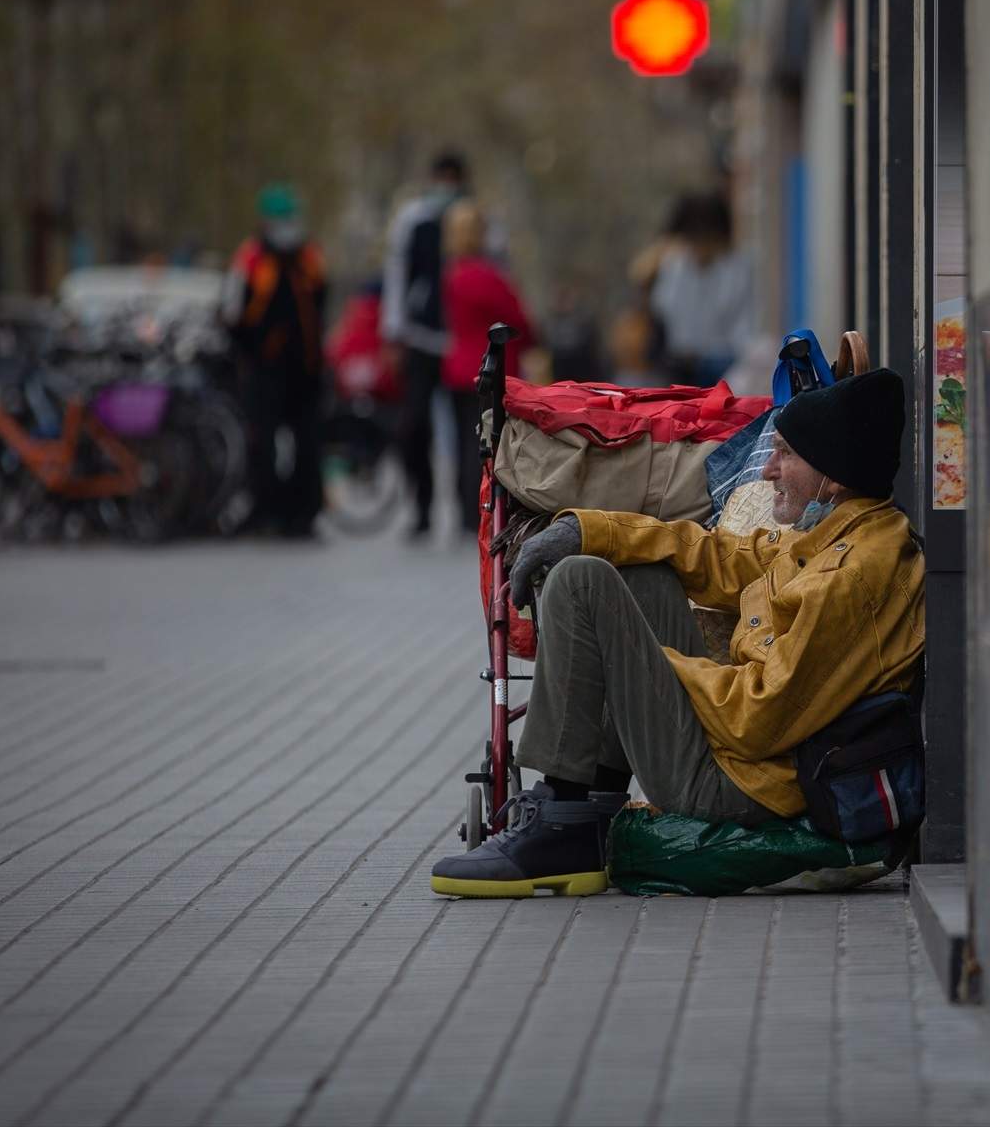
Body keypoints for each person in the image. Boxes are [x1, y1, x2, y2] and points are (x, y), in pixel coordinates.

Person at [431, 368, 923, 897]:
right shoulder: (843, 531)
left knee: (580, 582)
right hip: (745, 752)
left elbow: (758, 719)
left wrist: (642, 664)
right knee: (637, 572)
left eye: (786, 455)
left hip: (744, 784)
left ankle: (561, 820)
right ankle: (591, 804)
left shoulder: (850, 579)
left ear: (833, 474)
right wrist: (588, 529)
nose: (770, 472)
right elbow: (721, 556)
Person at [225, 183, 326, 538]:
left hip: (305, 372)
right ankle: (267, 509)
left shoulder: (308, 257)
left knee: (308, 445)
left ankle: (303, 512)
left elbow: (320, 303)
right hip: (264, 371)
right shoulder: (251, 259)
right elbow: (233, 313)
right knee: (262, 444)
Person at [382, 150, 468, 540]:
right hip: (419, 338)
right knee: (413, 426)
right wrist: (393, 331)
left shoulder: (478, 220)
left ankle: (470, 512)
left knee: (471, 430)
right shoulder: (412, 220)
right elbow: (397, 275)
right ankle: (422, 508)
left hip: (463, 342)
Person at [440, 201, 532, 536]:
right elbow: (518, 318)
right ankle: (481, 510)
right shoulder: (488, 276)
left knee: (462, 443)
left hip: (456, 367)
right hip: (488, 369)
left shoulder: (450, 275)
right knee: (487, 445)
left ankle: (463, 511)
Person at [641, 191, 753, 387]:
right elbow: (662, 306)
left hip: (724, 365)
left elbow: (742, 323)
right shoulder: (674, 265)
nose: (700, 246)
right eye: (693, 238)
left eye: (706, 238)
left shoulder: (737, 269)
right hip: (680, 364)